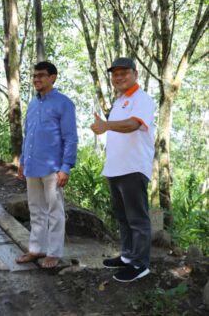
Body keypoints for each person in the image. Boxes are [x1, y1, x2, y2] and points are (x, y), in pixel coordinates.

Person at [91, 57, 156, 282]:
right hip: (116, 168)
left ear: (135, 74)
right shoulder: (119, 102)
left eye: (123, 73)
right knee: (123, 216)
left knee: (137, 217)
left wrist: (105, 125)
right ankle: (128, 256)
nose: (118, 77)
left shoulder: (142, 99)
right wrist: (105, 125)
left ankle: (140, 264)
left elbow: (133, 125)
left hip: (133, 167)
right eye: (115, 74)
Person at [16, 61, 78, 268]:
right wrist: (23, 162)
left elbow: (70, 138)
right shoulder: (33, 104)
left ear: (53, 77)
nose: (36, 79)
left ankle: (53, 253)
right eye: (34, 76)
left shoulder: (64, 103)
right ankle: (36, 249)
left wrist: (65, 167)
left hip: (53, 167)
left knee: (54, 210)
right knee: (35, 208)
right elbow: (28, 135)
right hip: (32, 165)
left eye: (41, 75)